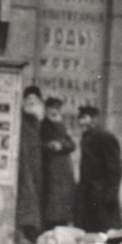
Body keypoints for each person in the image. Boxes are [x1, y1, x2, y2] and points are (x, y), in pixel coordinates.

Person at [76, 105, 122, 231]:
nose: (81, 122)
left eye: (85, 118)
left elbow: (115, 168)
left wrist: (111, 193)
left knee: (107, 230)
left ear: (94, 119)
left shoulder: (106, 137)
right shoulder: (86, 137)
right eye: (80, 118)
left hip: (102, 192)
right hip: (89, 192)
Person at [40, 96, 77, 230]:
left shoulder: (62, 125)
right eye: (51, 108)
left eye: (56, 108)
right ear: (46, 109)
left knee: (64, 199)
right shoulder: (42, 125)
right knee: (51, 200)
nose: (53, 111)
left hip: (64, 169)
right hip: (49, 167)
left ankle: (63, 223)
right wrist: (49, 146)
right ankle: (50, 225)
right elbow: (38, 144)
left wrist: (61, 145)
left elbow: (72, 144)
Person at [15, 85, 44, 244]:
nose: (31, 103)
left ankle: (30, 231)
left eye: (35, 100)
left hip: (36, 167)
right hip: (23, 166)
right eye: (28, 100)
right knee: (26, 197)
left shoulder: (39, 122)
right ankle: (22, 232)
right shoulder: (21, 120)